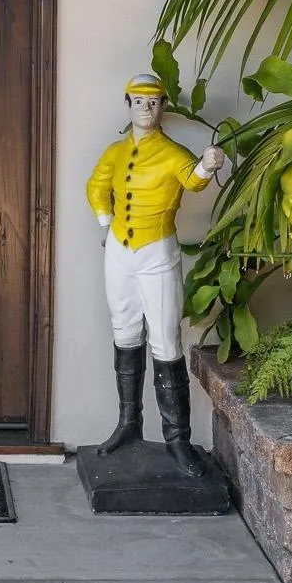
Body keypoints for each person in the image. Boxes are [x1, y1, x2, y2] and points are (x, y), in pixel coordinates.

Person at [85, 72, 226, 477]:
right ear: (128, 104)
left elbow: (193, 181)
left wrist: (207, 166)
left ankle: (177, 439)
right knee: (125, 332)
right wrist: (106, 223)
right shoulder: (115, 152)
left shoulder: (172, 153)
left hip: (156, 252)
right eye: (138, 101)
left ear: (163, 106)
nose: (146, 108)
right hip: (119, 251)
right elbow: (96, 186)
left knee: (165, 341)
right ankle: (128, 424)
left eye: (153, 102)